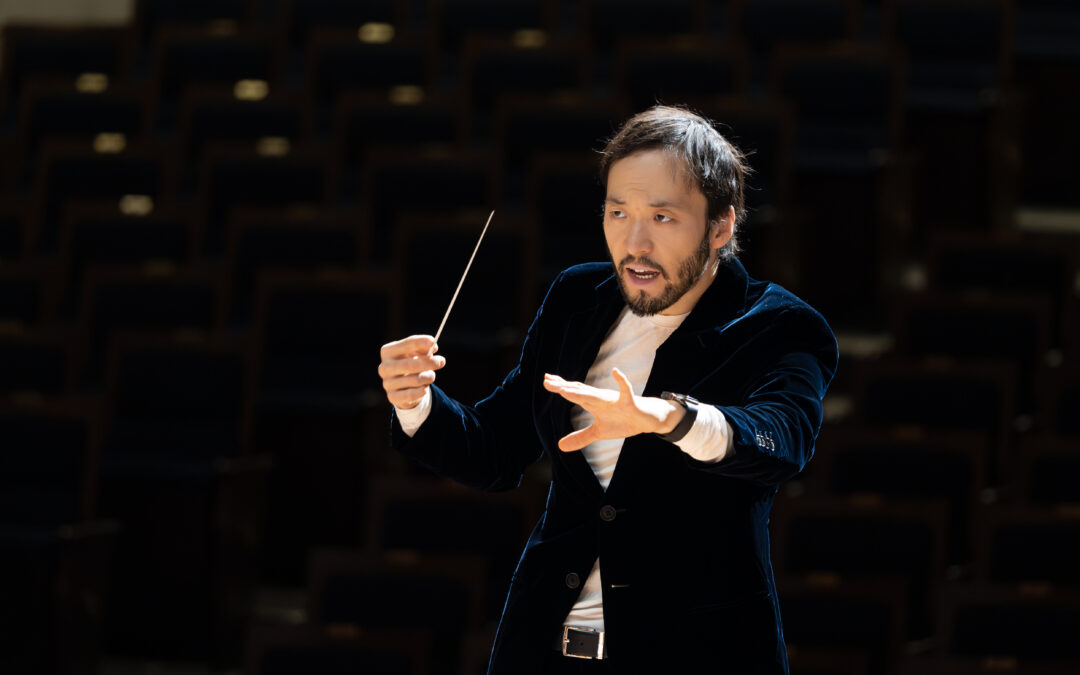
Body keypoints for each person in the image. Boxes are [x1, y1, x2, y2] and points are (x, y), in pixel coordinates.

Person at [377, 106, 838, 674]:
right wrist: (415, 402)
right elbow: (495, 451)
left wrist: (672, 419)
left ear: (721, 226)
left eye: (663, 218)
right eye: (618, 213)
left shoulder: (780, 325)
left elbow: (782, 439)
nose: (634, 242)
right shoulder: (577, 299)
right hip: (544, 649)